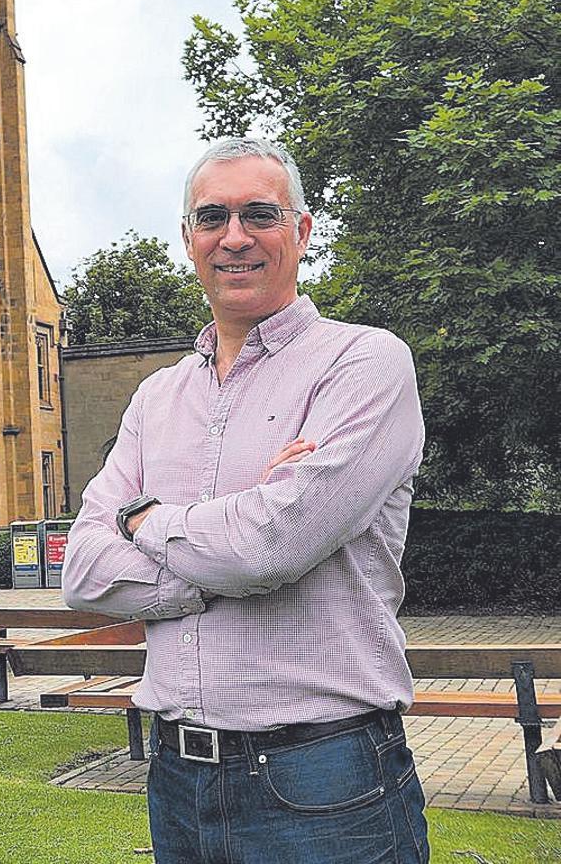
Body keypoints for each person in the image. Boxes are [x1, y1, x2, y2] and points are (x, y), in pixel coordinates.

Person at [61, 137, 430, 864]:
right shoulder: (156, 395)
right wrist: (234, 544)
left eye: (259, 214)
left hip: (325, 779)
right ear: (188, 239)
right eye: (212, 218)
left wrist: (144, 520)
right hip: (175, 778)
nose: (234, 237)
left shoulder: (364, 363)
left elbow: (271, 546)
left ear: (301, 231)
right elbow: (82, 572)